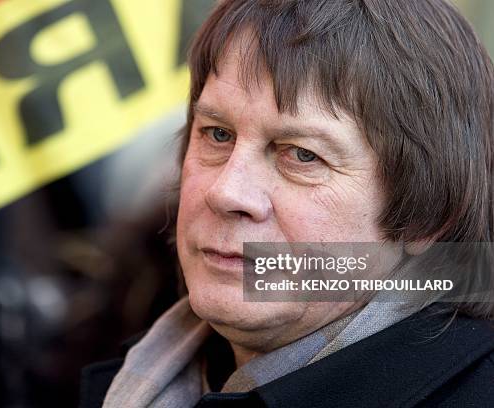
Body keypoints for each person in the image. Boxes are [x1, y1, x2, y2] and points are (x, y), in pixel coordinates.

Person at [79, 0, 494, 407]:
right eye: (217, 134)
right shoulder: (122, 371)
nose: (226, 192)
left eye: (302, 155)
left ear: (425, 217)